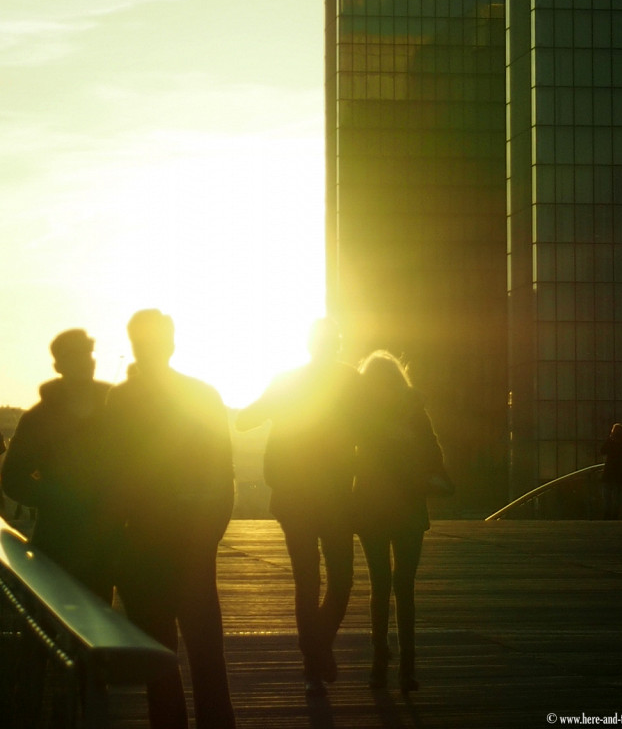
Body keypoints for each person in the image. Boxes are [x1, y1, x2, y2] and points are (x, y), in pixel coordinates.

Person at [105, 309, 236, 729]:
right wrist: (208, 536)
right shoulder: (203, 396)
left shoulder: (121, 402)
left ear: (135, 347)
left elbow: (110, 478)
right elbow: (222, 476)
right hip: (191, 544)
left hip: (141, 546)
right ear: (172, 345)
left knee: (159, 661)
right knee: (206, 656)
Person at [236, 317, 361, 697]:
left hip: (294, 496)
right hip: (335, 497)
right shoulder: (351, 381)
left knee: (307, 580)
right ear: (336, 344)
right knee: (341, 579)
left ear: (310, 345)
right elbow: (373, 426)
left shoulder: (288, 381)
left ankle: (313, 653)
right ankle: (317, 650)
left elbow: (245, 419)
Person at [352, 350, 450, 693]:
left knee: (379, 585)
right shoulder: (414, 411)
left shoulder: (361, 414)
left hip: (371, 508)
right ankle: (408, 668)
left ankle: (379, 662)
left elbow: (348, 456)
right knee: (404, 586)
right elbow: (433, 452)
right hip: (408, 507)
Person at [1, 329, 113, 599]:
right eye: (75, 356)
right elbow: (13, 478)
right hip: (57, 539)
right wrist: (58, 498)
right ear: (59, 366)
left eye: (88, 354)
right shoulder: (37, 419)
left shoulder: (118, 411)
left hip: (108, 539)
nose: (86, 361)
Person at [600, 423, 622, 519]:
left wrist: (609, 439)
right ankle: (615, 515)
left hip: (609, 472)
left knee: (607, 496)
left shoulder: (611, 442)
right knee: (616, 496)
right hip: (620, 473)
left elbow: (602, 451)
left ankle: (607, 514)